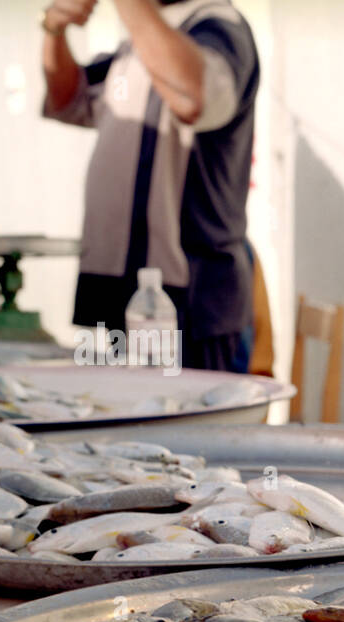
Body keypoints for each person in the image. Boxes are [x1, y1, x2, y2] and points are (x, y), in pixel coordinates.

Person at [40, 0, 259, 372]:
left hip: (184, 300)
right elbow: (69, 100)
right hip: (116, 290)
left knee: (178, 425)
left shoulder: (219, 27)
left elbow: (194, 97)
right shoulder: (139, 41)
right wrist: (54, 30)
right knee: (113, 419)